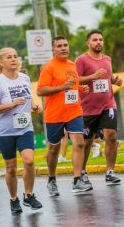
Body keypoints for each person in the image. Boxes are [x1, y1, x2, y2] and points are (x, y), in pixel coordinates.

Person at [0, 47, 42, 214]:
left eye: (15, 56)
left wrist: (33, 105)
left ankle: (29, 195)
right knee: (10, 167)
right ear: (2, 62)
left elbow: (28, 96)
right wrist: (12, 104)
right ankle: (13, 199)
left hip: (25, 128)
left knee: (29, 161)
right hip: (6, 131)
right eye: (9, 57)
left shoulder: (25, 78)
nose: (13, 59)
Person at [37, 36, 91, 195]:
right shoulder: (48, 68)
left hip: (74, 111)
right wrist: (61, 87)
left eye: (65, 45)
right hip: (54, 114)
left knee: (79, 143)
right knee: (54, 149)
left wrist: (81, 89)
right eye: (59, 46)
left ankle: (77, 180)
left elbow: (72, 85)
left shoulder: (72, 65)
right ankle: (51, 179)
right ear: (53, 49)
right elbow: (40, 90)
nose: (63, 48)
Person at [76, 30, 123, 187]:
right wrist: (92, 77)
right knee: (87, 142)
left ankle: (110, 172)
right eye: (95, 40)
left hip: (108, 104)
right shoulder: (81, 60)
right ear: (88, 43)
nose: (98, 42)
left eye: (100, 40)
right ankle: (82, 172)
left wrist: (114, 80)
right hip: (88, 108)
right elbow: (75, 80)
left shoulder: (107, 59)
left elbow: (107, 77)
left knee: (111, 136)